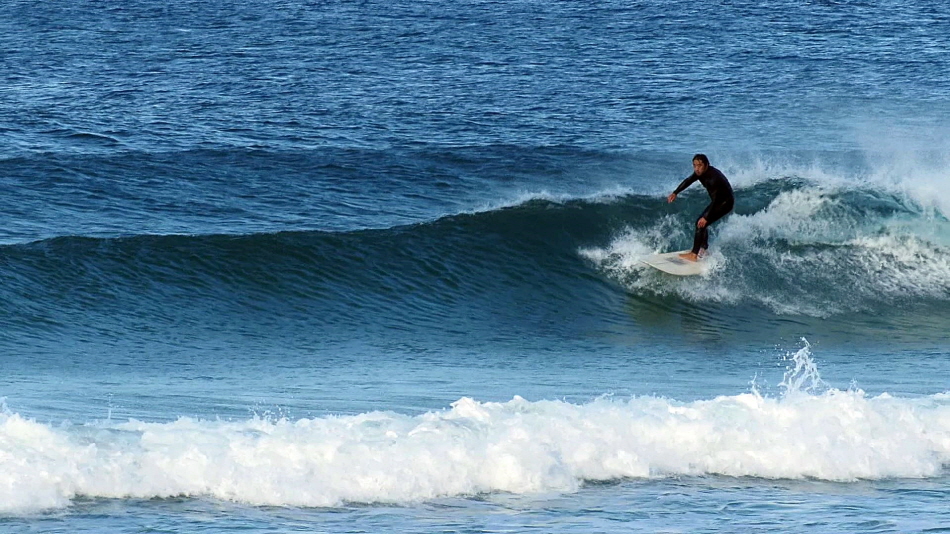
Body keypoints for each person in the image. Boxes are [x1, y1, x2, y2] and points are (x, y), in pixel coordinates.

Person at [666, 154, 734, 262]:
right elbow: (688, 181)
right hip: (719, 201)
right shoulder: (700, 173)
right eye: (694, 165)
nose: (697, 168)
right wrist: (675, 192)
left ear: (707, 165)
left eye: (700, 165)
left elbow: (716, 200)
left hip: (724, 203)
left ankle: (694, 255)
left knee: (700, 223)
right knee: (701, 223)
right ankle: (704, 249)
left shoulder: (714, 178)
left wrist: (706, 217)